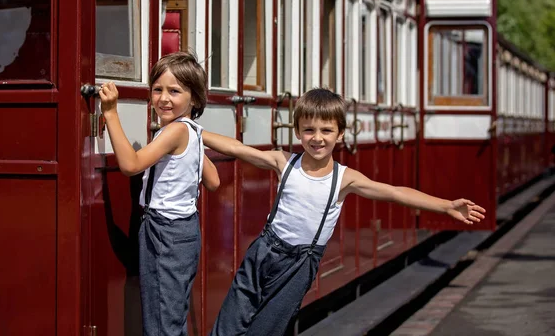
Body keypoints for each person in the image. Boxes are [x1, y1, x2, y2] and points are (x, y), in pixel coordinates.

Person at [203, 88, 486, 336]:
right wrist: (194, 131)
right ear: (298, 132)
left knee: (265, 330)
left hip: (299, 265)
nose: (317, 138)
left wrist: (446, 206)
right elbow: (238, 148)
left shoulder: (344, 179)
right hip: (263, 252)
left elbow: (395, 192)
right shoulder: (284, 161)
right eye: (309, 130)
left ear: (340, 134)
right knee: (228, 325)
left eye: (326, 131)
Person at [99, 51, 220, 336]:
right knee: (170, 317)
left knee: (162, 324)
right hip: (182, 232)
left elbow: (130, 165)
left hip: (165, 232)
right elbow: (213, 181)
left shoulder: (176, 131)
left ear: (195, 98)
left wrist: (111, 113)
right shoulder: (192, 133)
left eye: (175, 91)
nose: (164, 98)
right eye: (157, 90)